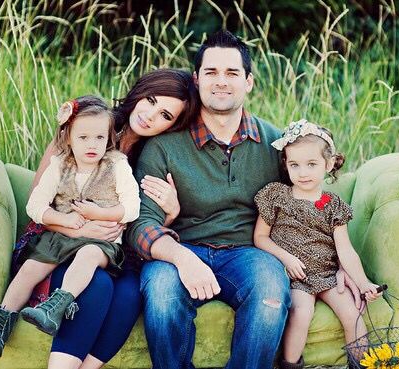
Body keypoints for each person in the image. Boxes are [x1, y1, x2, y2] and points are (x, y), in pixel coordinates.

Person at [125, 30, 290, 369]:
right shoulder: (164, 145)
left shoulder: (275, 143)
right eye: (211, 72)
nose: (221, 82)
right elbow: (141, 225)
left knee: (271, 289)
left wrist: (335, 265)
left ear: (249, 82)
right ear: (197, 79)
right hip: (181, 248)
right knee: (161, 293)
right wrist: (184, 259)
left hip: (248, 254)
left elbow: (303, 207)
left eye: (232, 73)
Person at [22, 69, 200, 369]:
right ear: (140, 91)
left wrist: (170, 214)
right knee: (98, 284)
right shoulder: (88, 123)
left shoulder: (154, 155)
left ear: (173, 125)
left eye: (165, 114)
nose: (150, 115)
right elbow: (38, 203)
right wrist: (81, 228)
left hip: (114, 253)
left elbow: (136, 226)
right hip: (57, 243)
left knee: (131, 293)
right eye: (151, 100)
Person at [0, 95, 141, 357]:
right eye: (83, 137)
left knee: (87, 256)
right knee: (31, 269)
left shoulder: (117, 165)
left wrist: (102, 213)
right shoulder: (60, 164)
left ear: (109, 139)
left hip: (102, 240)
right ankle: (0, 324)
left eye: (99, 138)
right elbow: (35, 206)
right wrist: (64, 219)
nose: (92, 145)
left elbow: (133, 207)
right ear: (67, 138)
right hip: (61, 235)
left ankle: (55, 306)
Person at [253, 119, 382, 369]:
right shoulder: (277, 196)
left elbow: (345, 250)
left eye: (311, 164)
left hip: (328, 274)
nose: (303, 173)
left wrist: (364, 283)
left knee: (352, 315)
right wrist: (286, 258)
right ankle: (290, 364)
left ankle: (362, 364)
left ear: (329, 163)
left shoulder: (333, 206)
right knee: (301, 313)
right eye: (295, 165)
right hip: (295, 276)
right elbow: (260, 238)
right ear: (286, 165)